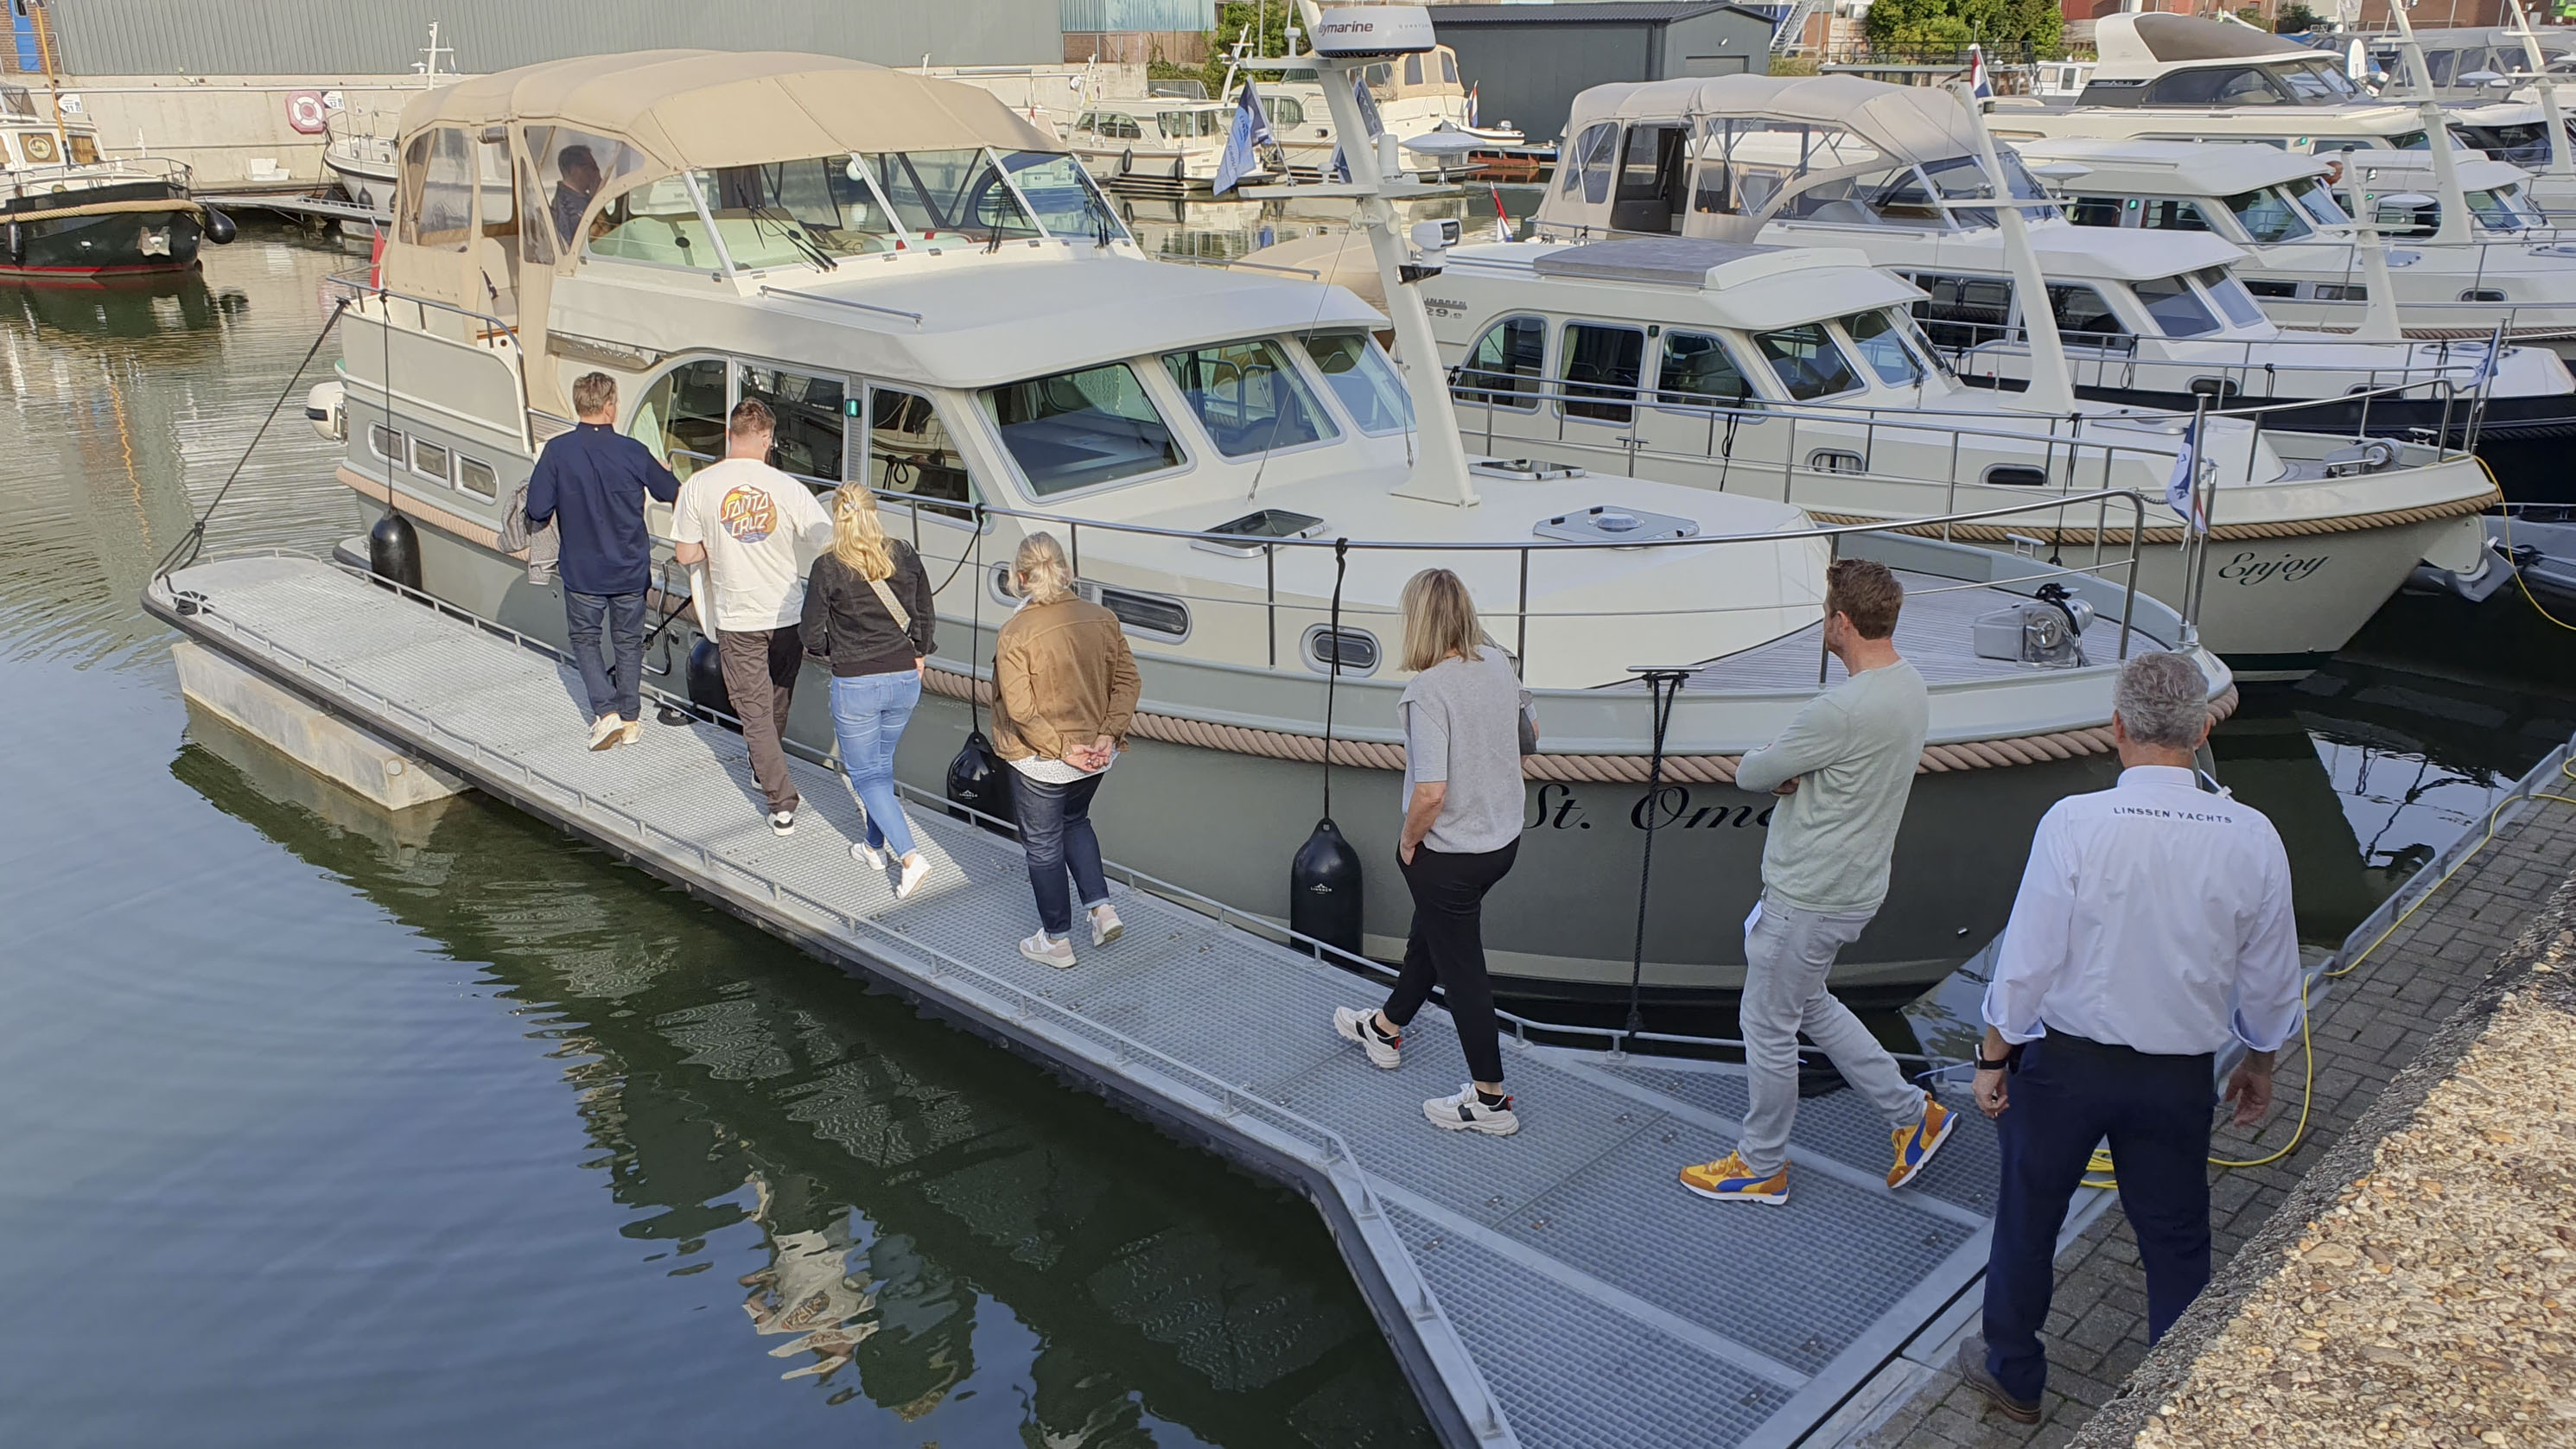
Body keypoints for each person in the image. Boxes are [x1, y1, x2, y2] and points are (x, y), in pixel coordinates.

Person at [1957, 651, 2300, 1426]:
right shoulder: (2252, 834)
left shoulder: (2074, 822)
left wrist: (1992, 1057)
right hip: (2176, 1075)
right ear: (2203, 726)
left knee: (2028, 1218)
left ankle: (2013, 1373)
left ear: (2116, 726)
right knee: (2176, 1233)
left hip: (2063, 1068)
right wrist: (2260, 1059)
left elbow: (2026, 962)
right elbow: (2272, 973)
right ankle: (2178, 1395)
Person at [1676, 559, 1956, 1203]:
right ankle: (1914, 1115)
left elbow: (1754, 771)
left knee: (1767, 1026)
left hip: (1806, 894)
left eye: (1825, 612)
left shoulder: (1839, 708)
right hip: (1853, 888)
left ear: (1841, 622)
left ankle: (1761, 1163)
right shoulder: (1909, 686)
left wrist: (1780, 772)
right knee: (1809, 1005)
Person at [1330, 569, 1530, 1137]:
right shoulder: (1497, 663)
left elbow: (1431, 790)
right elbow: (1531, 736)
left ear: (1416, 621)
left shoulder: (1425, 690)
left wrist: (1409, 839)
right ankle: (1385, 1028)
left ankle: (1490, 1101)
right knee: (1434, 936)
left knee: (1462, 970)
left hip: (1450, 852)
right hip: (1502, 841)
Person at [672, 399, 833, 835]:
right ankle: (767, 771)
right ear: (766, 439)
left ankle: (781, 802)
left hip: (737, 617)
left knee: (754, 712)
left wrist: (713, 545)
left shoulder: (699, 486)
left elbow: (684, 553)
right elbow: (826, 539)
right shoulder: (787, 487)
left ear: (730, 435)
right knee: (777, 701)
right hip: (786, 614)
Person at [990, 532, 1138, 969]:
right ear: (1067, 572)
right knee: (1076, 820)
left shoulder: (1015, 632)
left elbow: (1020, 709)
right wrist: (1108, 736)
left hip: (1042, 761)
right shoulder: (1103, 618)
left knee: (1042, 845)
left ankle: (1056, 940)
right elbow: (1128, 682)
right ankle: (1101, 909)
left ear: (1020, 578)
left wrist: (1060, 749)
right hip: (1097, 754)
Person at [524, 370, 680, 751]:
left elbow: (537, 508)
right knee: (627, 642)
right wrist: (661, 469)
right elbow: (673, 492)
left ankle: (605, 712)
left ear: (581, 405)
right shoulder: (632, 451)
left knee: (585, 640)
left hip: (582, 570)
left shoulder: (557, 452)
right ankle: (629, 719)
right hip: (629, 569)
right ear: (610, 406)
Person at [801, 482, 938, 899]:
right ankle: (874, 847)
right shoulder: (905, 553)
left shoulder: (828, 567)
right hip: (903, 679)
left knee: (865, 776)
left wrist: (835, 650)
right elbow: (925, 613)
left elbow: (810, 634)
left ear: (837, 517)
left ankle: (911, 858)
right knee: (879, 767)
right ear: (875, 512)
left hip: (856, 682)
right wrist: (919, 653)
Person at [550, 144, 602, 252]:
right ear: (576, 170)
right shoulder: (565, 206)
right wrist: (597, 199)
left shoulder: (583, 200)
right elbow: (602, 235)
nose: (597, 173)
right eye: (593, 167)